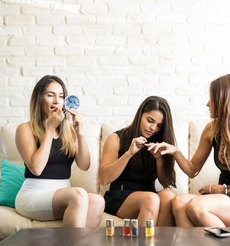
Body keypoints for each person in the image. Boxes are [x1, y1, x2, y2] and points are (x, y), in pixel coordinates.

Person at [147, 74, 230, 227]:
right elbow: (192, 170)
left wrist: (222, 189)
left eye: (212, 99)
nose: (207, 104)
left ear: (225, 101)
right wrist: (175, 151)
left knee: (195, 206)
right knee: (179, 203)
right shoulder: (211, 129)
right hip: (223, 196)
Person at [15, 75, 105, 227]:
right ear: (39, 99)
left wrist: (80, 134)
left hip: (63, 194)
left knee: (97, 200)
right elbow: (36, 168)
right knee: (78, 194)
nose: (57, 101)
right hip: (33, 195)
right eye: (50, 95)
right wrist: (49, 129)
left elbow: (84, 165)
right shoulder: (25, 129)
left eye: (61, 96)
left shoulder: (68, 130)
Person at [99, 96, 177, 227]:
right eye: (150, 120)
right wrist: (129, 154)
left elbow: (166, 182)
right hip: (120, 195)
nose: (153, 128)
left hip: (149, 195)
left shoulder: (159, 141)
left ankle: (162, 245)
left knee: (168, 196)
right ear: (140, 115)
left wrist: (159, 159)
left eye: (159, 125)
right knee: (151, 199)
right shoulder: (116, 138)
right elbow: (104, 179)